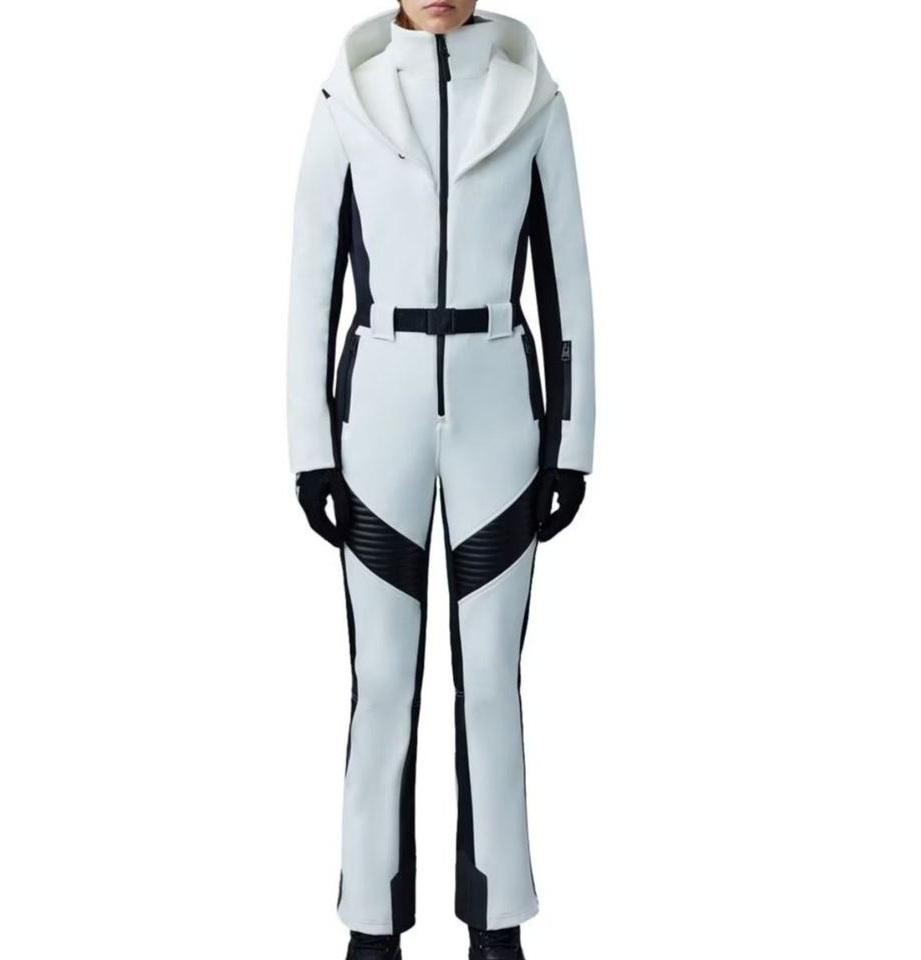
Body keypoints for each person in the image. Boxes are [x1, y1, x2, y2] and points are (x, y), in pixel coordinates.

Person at [287, 2, 595, 957]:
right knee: (381, 681)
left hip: (501, 415)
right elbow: (311, 280)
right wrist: (309, 447)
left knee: (492, 679)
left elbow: (568, 282)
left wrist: (573, 443)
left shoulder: (533, 98)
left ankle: (498, 924)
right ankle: (370, 927)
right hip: (376, 416)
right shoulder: (346, 98)